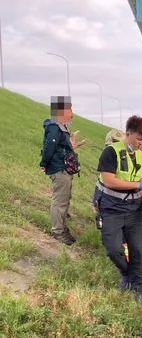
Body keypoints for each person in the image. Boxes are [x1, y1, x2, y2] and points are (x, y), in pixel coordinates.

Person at [95, 115, 142, 302]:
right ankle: (126, 274)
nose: (141, 143)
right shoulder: (111, 152)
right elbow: (109, 180)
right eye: (139, 139)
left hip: (134, 210)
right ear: (128, 133)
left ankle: (139, 290)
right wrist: (137, 185)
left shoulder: (141, 155)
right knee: (113, 249)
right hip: (112, 209)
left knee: (137, 251)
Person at [40, 95, 80, 245]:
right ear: (61, 111)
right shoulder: (54, 127)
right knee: (60, 201)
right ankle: (57, 232)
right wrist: (44, 163)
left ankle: (62, 229)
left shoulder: (61, 128)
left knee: (64, 200)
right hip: (59, 169)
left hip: (64, 169)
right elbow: (49, 148)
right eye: (70, 109)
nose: (72, 113)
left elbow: (60, 148)